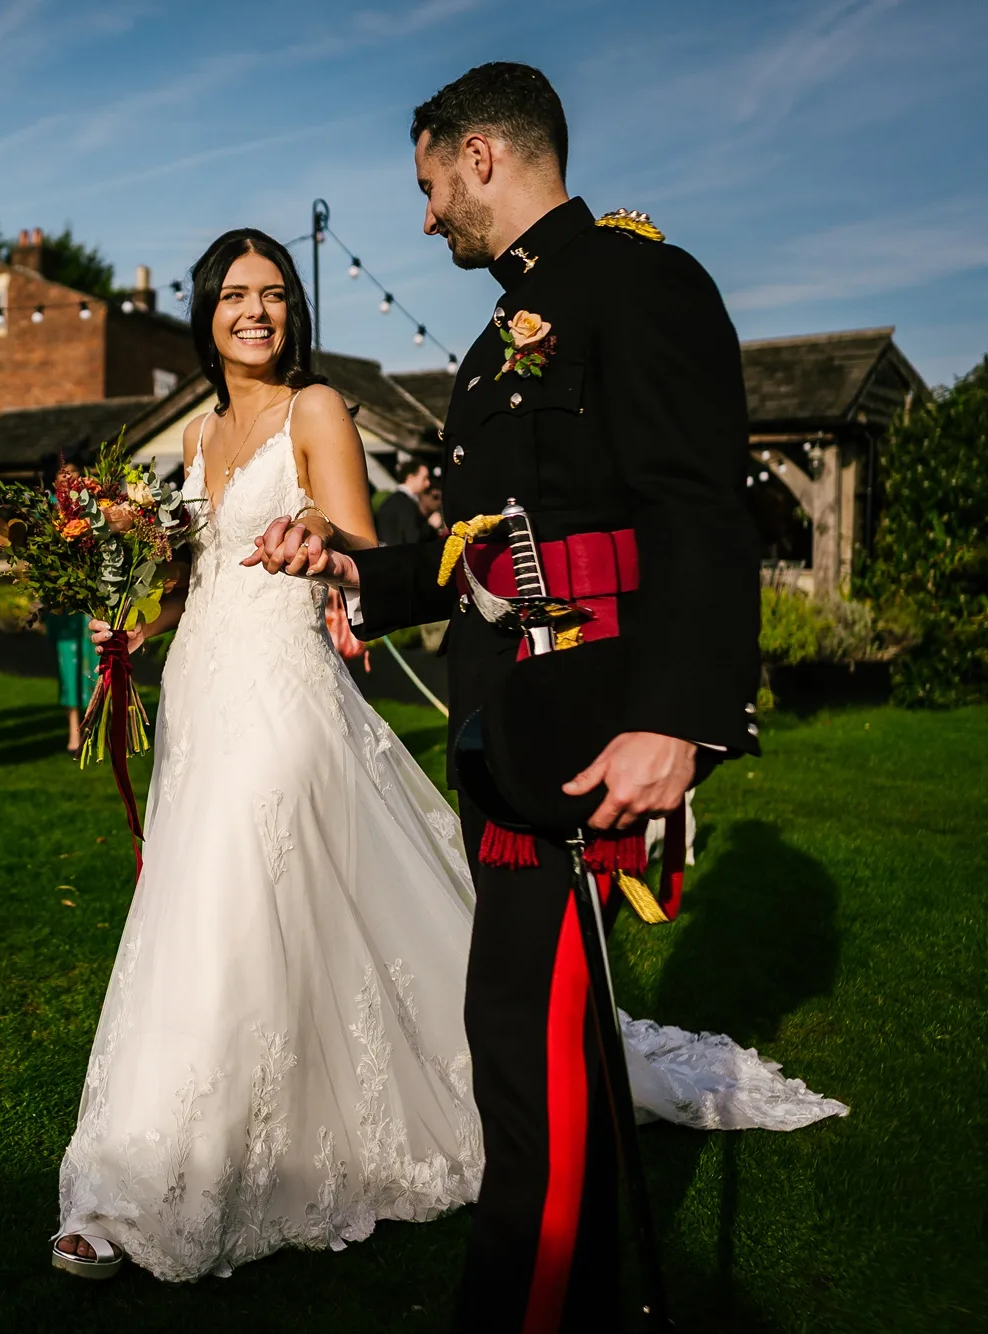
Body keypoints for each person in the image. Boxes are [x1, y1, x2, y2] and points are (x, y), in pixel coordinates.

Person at [53, 213, 836, 1294]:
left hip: (282, 686)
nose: (256, 310)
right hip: (201, 683)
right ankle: (217, 1135)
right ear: (203, 313)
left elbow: (368, 552)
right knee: (199, 900)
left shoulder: (313, 408)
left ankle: (155, 1177)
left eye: (274, 291)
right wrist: (130, 614)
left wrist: (320, 549)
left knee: (236, 886)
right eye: (235, 293)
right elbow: (200, 575)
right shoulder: (193, 436)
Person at [249, 64, 786, 1329]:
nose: (427, 215)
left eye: (430, 185)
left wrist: (682, 720)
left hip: (596, 742)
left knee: (528, 1056)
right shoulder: (500, 338)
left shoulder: (639, 283)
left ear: (480, 154)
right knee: (531, 1048)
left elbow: (699, 513)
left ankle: (523, 1306)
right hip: (510, 746)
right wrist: (353, 567)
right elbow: (490, 552)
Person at [45, 611, 99, 752]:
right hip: (65, 615)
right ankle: (74, 730)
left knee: (99, 666)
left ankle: (103, 726)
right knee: (69, 669)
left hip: (92, 613)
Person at [376, 458, 438, 546]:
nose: (428, 483)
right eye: (424, 478)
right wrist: (430, 526)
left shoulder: (393, 501)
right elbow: (413, 540)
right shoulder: (405, 504)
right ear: (410, 478)